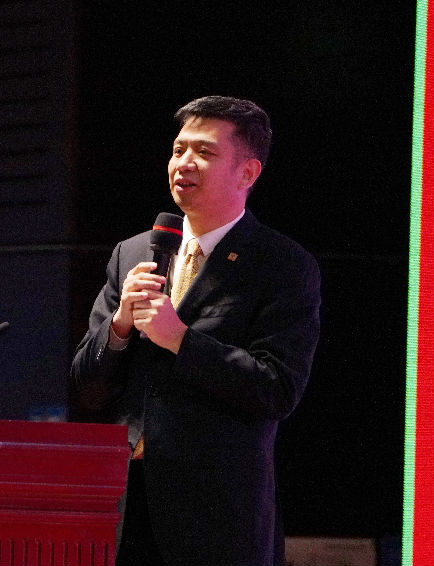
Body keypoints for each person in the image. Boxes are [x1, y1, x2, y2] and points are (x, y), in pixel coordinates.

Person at [70, 96, 321, 566]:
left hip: (217, 520)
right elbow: (89, 388)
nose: (183, 162)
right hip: (125, 512)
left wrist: (181, 340)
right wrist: (119, 326)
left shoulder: (281, 264)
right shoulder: (133, 253)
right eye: (178, 149)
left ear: (247, 173)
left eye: (204, 152)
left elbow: (277, 389)